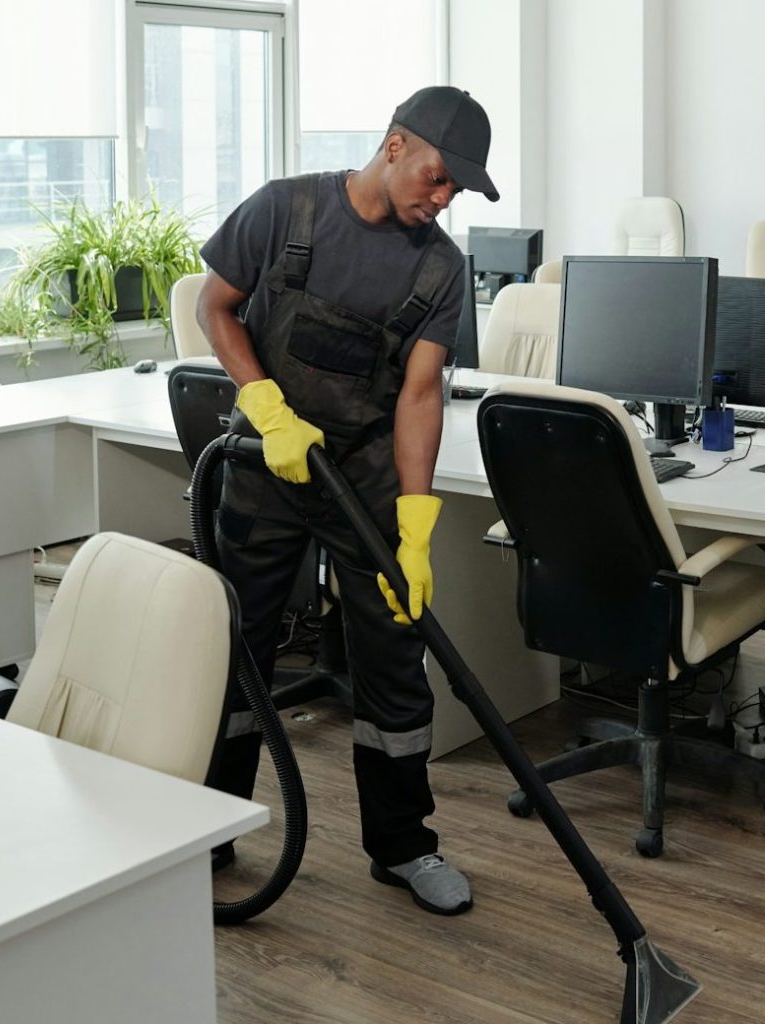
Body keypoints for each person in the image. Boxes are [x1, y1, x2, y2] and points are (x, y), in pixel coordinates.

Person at [196, 86, 499, 917]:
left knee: (395, 659)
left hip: (361, 478)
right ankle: (207, 830)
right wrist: (265, 405)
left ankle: (403, 846)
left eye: (457, 189)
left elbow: (419, 395)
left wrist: (415, 524)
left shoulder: (441, 268)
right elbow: (214, 306)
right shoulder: (285, 210)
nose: (444, 198)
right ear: (395, 145)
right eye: (439, 177)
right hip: (266, 464)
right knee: (237, 648)